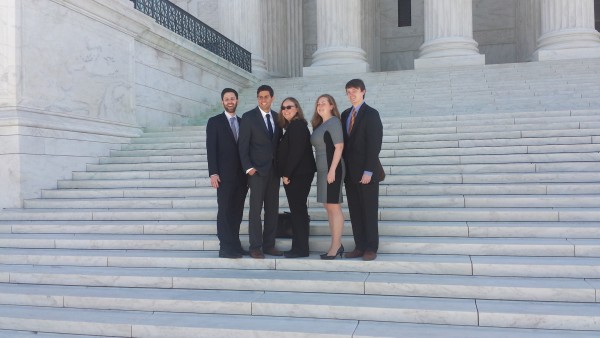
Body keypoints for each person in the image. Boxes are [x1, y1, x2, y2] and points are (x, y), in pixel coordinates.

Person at [341, 79, 384, 261]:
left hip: (367, 174)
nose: (352, 95)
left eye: (355, 91)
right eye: (348, 92)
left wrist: (368, 171)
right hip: (350, 174)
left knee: (369, 211)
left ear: (363, 91)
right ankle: (359, 246)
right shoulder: (344, 115)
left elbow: (374, 145)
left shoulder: (371, 114)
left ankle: (371, 247)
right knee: (355, 211)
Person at [238, 85, 283, 259]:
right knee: (255, 210)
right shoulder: (249, 117)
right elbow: (243, 145)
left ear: (272, 98)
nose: (263, 100)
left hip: (274, 171)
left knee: (272, 209)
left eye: (266, 97)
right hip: (256, 172)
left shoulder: (277, 117)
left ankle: (269, 245)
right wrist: (248, 168)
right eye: (260, 97)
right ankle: (255, 246)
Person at [206, 88, 248, 258]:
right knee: (224, 211)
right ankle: (225, 247)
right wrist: (213, 173)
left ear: (237, 100)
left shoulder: (243, 121)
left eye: (232, 98)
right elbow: (211, 149)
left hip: (241, 177)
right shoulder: (214, 122)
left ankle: (235, 244)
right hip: (223, 176)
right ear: (222, 102)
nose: (230, 101)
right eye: (226, 99)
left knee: (237, 211)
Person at [276, 97, 316, 258]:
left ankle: (300, 249)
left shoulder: (298, 126)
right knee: (297, 210)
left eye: (289, 107)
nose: (286, 110)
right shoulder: (292, 126)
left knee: (298, 211)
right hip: (297, 174)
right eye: (283, 108)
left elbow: (296, 153)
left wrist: (286, 174)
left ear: (297, 108)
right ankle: (299, 247)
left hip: (298, 175)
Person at [310, 94, 345, 260]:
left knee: (334, 207)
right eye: (318, 103)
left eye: (324, 102)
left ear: (332, 106)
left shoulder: (334, 122)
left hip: (333, 168)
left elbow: (339, 147)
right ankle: (335, 244)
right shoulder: (320, 124)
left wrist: (332, 171)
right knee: (328, 206)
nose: (320, 105)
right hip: (323, 170)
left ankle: (336, 245)